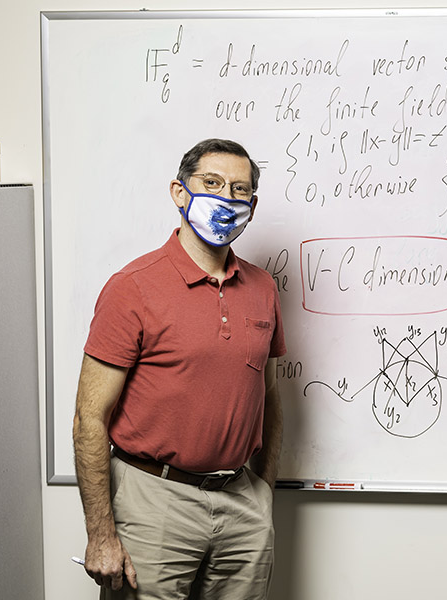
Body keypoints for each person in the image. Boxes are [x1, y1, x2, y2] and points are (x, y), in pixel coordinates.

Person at [73, 138, 287, 599]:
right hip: (154, 499)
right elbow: (90, 418)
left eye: (239, 190)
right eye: (211, 183)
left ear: (252, 204)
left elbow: (268, 398)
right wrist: (101, 534)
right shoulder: (132, 288)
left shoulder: (263, 289)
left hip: (241, 503)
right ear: (179, 192)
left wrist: (263, 492)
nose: (226, 198)